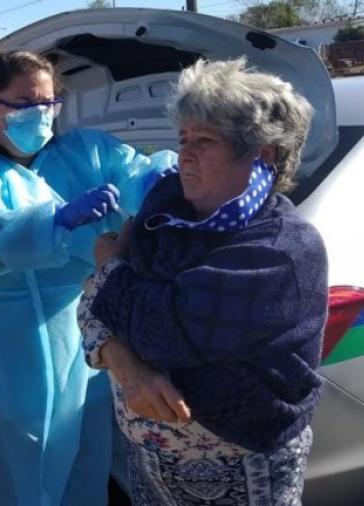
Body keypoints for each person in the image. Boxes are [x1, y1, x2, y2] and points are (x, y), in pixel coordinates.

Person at [0, 50, 177, 505]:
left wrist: (165, 183)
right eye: (25, 104)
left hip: (71, 346)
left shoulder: (86, 152)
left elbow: (139, 175)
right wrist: (51, 222)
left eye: (49, 103)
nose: (41, 115)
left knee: (78, 468)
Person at [78, 57, 327, 505]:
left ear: (262, 154)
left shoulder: (283, 250)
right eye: (183, 139)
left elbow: (165, 332)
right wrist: (126, 365)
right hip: (150, 465)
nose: (184, 154)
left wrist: (111, 267)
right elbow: (90, 307)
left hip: (243, 471)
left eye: (205, 141)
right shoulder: (164, 216)